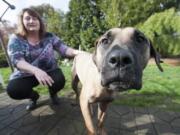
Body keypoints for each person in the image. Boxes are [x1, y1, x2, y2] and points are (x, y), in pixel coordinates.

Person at [6, 8, 81, 111]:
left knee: (59, 81)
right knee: (13, 90)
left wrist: (79, 53)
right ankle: (34, 97)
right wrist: (36, 70)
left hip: (50, 70)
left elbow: (64, 49)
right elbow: (17, 60)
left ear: (39, 21)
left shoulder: (49, 36)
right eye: (27, 18)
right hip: (26, 74)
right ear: (22, 22)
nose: (31, 21)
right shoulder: (16, 39)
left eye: (35, 18)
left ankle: (53, 94)